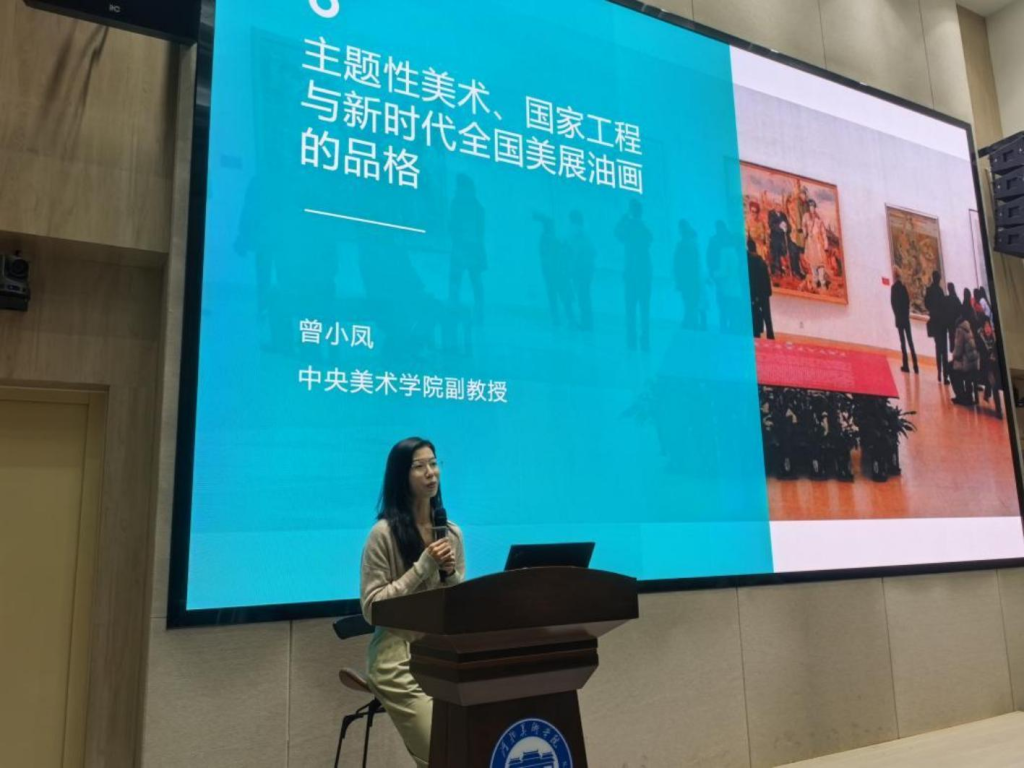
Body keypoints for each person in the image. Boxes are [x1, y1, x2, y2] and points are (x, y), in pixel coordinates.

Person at [360, 438, 466, 767]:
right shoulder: (383, 534)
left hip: (444, 657)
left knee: (471, 745)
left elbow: (459, 606)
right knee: (445, 753)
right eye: (419, 467)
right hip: (397, 661)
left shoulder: (451, 533)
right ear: (400, 476)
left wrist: (450, 575)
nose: (431, 473)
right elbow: (372, 609)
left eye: (434, 463)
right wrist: (422, 568)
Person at [615, 199, 653, 350]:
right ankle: (645, 341)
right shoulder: (644, 229)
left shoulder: (629, 228)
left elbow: (616, 232)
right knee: (644, 310)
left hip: (631, 276)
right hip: (644, 275)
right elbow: (650, 239)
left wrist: (624, 218)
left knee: (630, 310)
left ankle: (631, 341)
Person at [449, 175, 487, 323]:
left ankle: (457, 312)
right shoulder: (476, 207)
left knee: (460, 282)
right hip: (469, 249)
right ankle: (473, 314)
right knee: (469, 282)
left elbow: (452, 227)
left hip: (466, 249)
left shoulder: (460, 204)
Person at [950, 307, 981, 405]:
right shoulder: (968, 327)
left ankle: (961, 397)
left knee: (951, 369)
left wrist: (953, 356)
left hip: (967, 364)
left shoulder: (959, 330)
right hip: (974, 362)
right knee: (954, 367)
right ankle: (967, 396)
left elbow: (958, 352)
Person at [890, 270, 918, 373]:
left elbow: (893, 304)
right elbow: (907, 302)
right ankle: (915, 366)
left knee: (903, 343)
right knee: (910, 342)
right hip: (905, 318)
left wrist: (897, 315)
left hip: (899, 319)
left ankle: (906, 365)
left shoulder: (894, 288)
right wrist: (905, 313)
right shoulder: (903, 287)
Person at [924, 270, 949, 383]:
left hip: (934, 322)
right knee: (944, 350)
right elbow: (944, 306)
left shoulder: (929, 290)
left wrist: (932, 312)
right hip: (941, 323)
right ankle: (945, 375)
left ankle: (939, 372)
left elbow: (926, 304)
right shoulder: (939, 291)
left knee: (938, 349)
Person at [747, 236, 774, 339]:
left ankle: (757, 332)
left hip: (755, 291)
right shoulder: (761, 261)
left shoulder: (749, 261)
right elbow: (766, 278)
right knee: (767, 315)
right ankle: (770, 335)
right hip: (764, 292)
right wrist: (768, 291)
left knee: (755, 312)